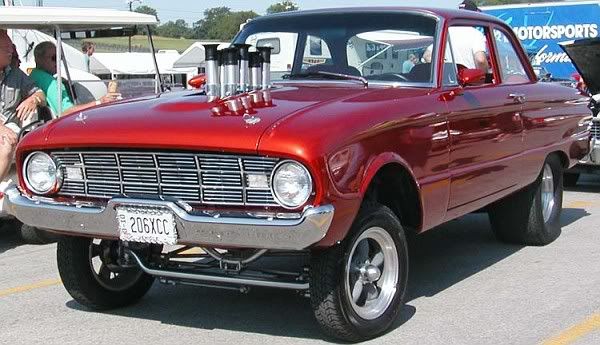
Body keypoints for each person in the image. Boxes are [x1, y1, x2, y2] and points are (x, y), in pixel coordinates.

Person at [0, 31, 47, 181]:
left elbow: (41, 95)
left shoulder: (16, 74)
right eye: (6, 48)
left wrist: (34, 99)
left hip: (9, 127)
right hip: (3, 128)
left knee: (7, 143)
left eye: (11, 48)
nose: (11, 52)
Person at [30, 41, 118, 116]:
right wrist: (99, 102)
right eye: (54, 58)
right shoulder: (50, 83)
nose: (58, 61)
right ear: (39, 59)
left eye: (59, 57)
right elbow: (65, 112)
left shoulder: (34, 75)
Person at [449, 0, 489, 73]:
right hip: (471, 82)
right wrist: (486, 77)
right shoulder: (476, 34)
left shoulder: (446, 32)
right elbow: (481, 60)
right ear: (474, 15)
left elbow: (428, 56)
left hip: (447, 81)